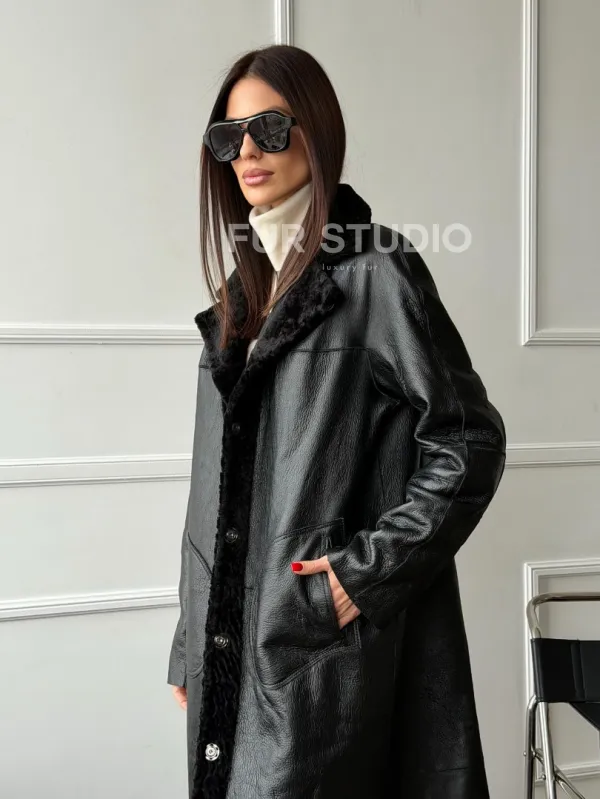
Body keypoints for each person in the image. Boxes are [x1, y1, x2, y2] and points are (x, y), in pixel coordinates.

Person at [167, 43, 507, 799]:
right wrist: (193, 639)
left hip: (322, 657)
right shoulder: (237, 302)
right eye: (228, 136)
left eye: (269, 127)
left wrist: (360, 577)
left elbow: (468, 442)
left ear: (316, 131)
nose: (247, 151)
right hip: (232, 649)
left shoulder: (376, 272)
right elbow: (213, 492)